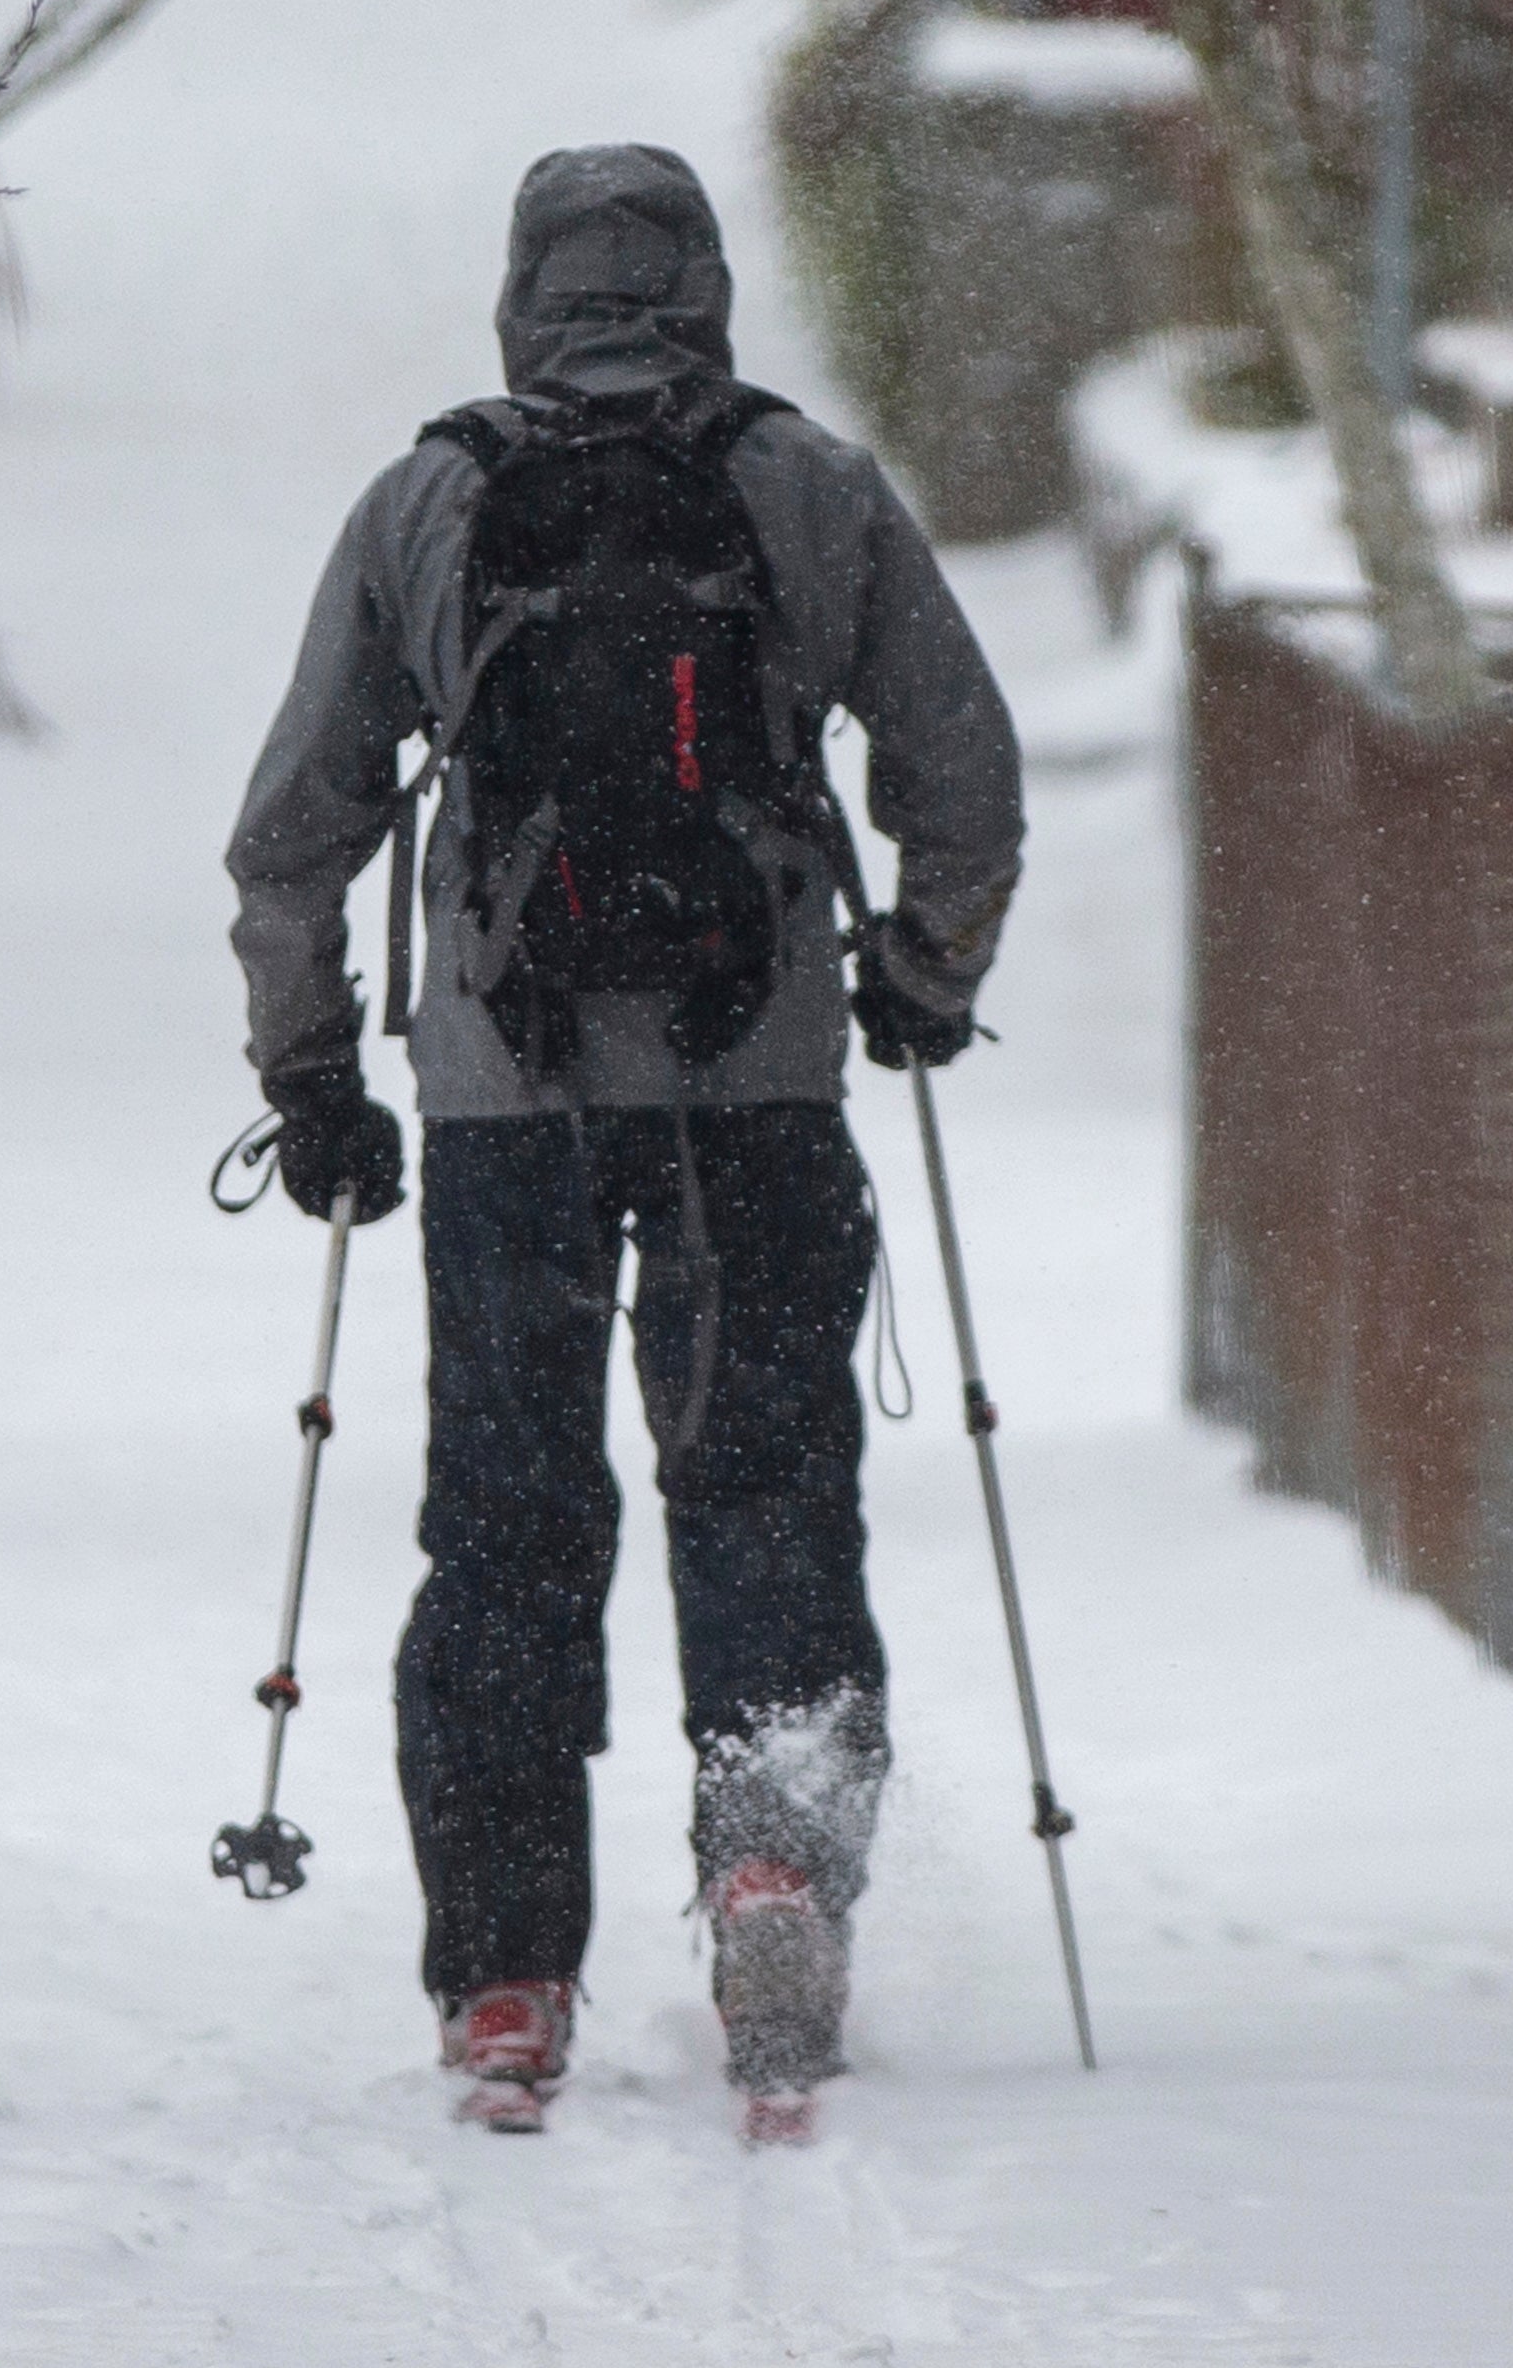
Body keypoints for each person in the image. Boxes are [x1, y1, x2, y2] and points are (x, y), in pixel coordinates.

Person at [223, 145, 1022, 2142]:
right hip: (754, 1084)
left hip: (505, 1093)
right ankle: (768, 1867)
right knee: (760, 1478)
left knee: (502, 1519)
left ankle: (506, 1967)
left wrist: (313, 1071)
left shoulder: (427, 499)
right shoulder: (808, 486)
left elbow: (292, 830)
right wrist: (916, 974)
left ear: (518, 293)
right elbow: (960, 775)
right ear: (711, 288)